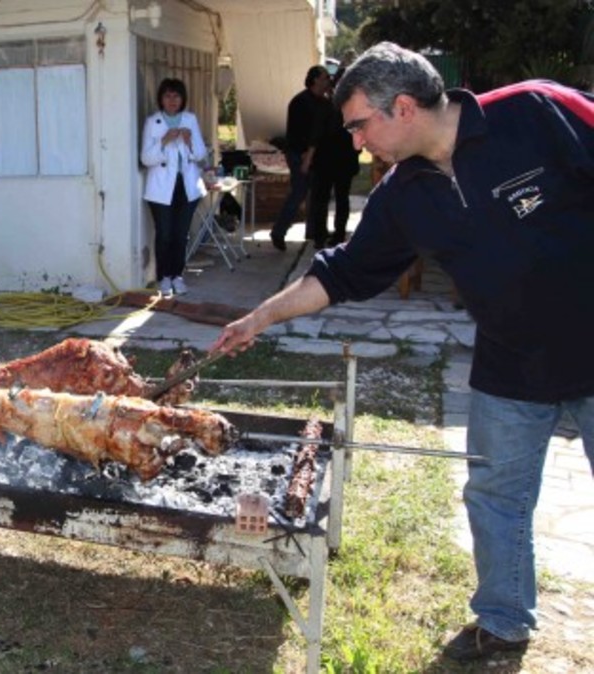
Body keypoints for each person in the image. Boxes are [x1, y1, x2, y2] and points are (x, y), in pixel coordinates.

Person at [210, 42, 594, 663]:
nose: (357, 143)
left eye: (360, 125)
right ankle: (502, 623)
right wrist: (257, 318)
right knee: (495, 494)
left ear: (406, 107)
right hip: (511, 362)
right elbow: (341, 274)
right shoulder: (404, 192)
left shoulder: (537, 112)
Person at [140, 78, 209, 296]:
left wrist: (189, 142)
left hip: (187, 186)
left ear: (182, 99)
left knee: (181, 235)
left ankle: (178, 276)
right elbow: (145, 158)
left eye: (176, 96)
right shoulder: (153, 122)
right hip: (161, 189)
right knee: (165, 234)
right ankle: (164, 278)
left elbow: (200, 155)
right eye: (168, 96)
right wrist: (164, 141)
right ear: (161, 98)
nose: (172, 100)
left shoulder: (190, 119)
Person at [269, 65, 331, 251]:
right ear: (315, 80)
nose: (328, 80)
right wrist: (306, 155)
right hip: (299, 154)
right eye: (325, 77)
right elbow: (296, 132)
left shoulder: (325, 103)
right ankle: (278, 232)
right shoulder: (300, 102)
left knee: (318, 196)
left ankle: (316, 234)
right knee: (299, 193)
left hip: (318, 156)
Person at [307, 73, 361, 248]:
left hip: (325, 160)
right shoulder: (354, 109)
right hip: (344, 160)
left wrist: (309, 157)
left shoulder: (324, 107)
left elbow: (315, 135)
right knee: (341, 198)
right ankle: (338, 234)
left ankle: (320, 235)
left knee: (321, 199)